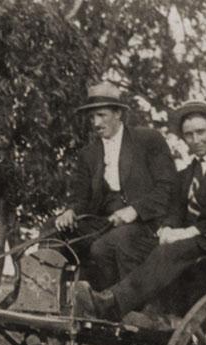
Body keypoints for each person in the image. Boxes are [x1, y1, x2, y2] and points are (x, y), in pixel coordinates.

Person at [73, 99, 206, 321]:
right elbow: (174, 210)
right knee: (123, 241)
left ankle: (113, 303)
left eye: (201, 132)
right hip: (191, 243)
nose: (195, 140)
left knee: (171, 250)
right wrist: (168, 227)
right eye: (189, 135)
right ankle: (142, 312)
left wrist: (190, 232)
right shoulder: (186, 174)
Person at [53, 81, 176, 290]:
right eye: (92, 117)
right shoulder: (88, 154)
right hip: (103, 223)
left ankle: (117, 305)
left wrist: (135, 210)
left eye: (101, 115)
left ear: (118, 113)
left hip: (145, 224)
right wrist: (70, 211)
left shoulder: (147, 140)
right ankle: (49, 300)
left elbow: (168, 187)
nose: (95, 123)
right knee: (52, 231)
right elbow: (81, 197)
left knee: (105, 246)